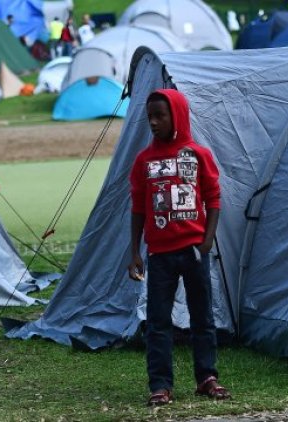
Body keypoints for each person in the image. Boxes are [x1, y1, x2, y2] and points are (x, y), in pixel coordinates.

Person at [128, 89, 231, 406]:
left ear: (178, 115)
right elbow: (138, 208)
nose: (154, 122)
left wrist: (207, 239)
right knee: (158, 323)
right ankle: (160, 385)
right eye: (150, 117)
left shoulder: (197, 154)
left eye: (160, 115)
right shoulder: (144, 161)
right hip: (159, 255)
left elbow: (213, 198)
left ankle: (207, 378)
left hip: (194, 251)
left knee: (202, 319)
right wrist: (134, 252)